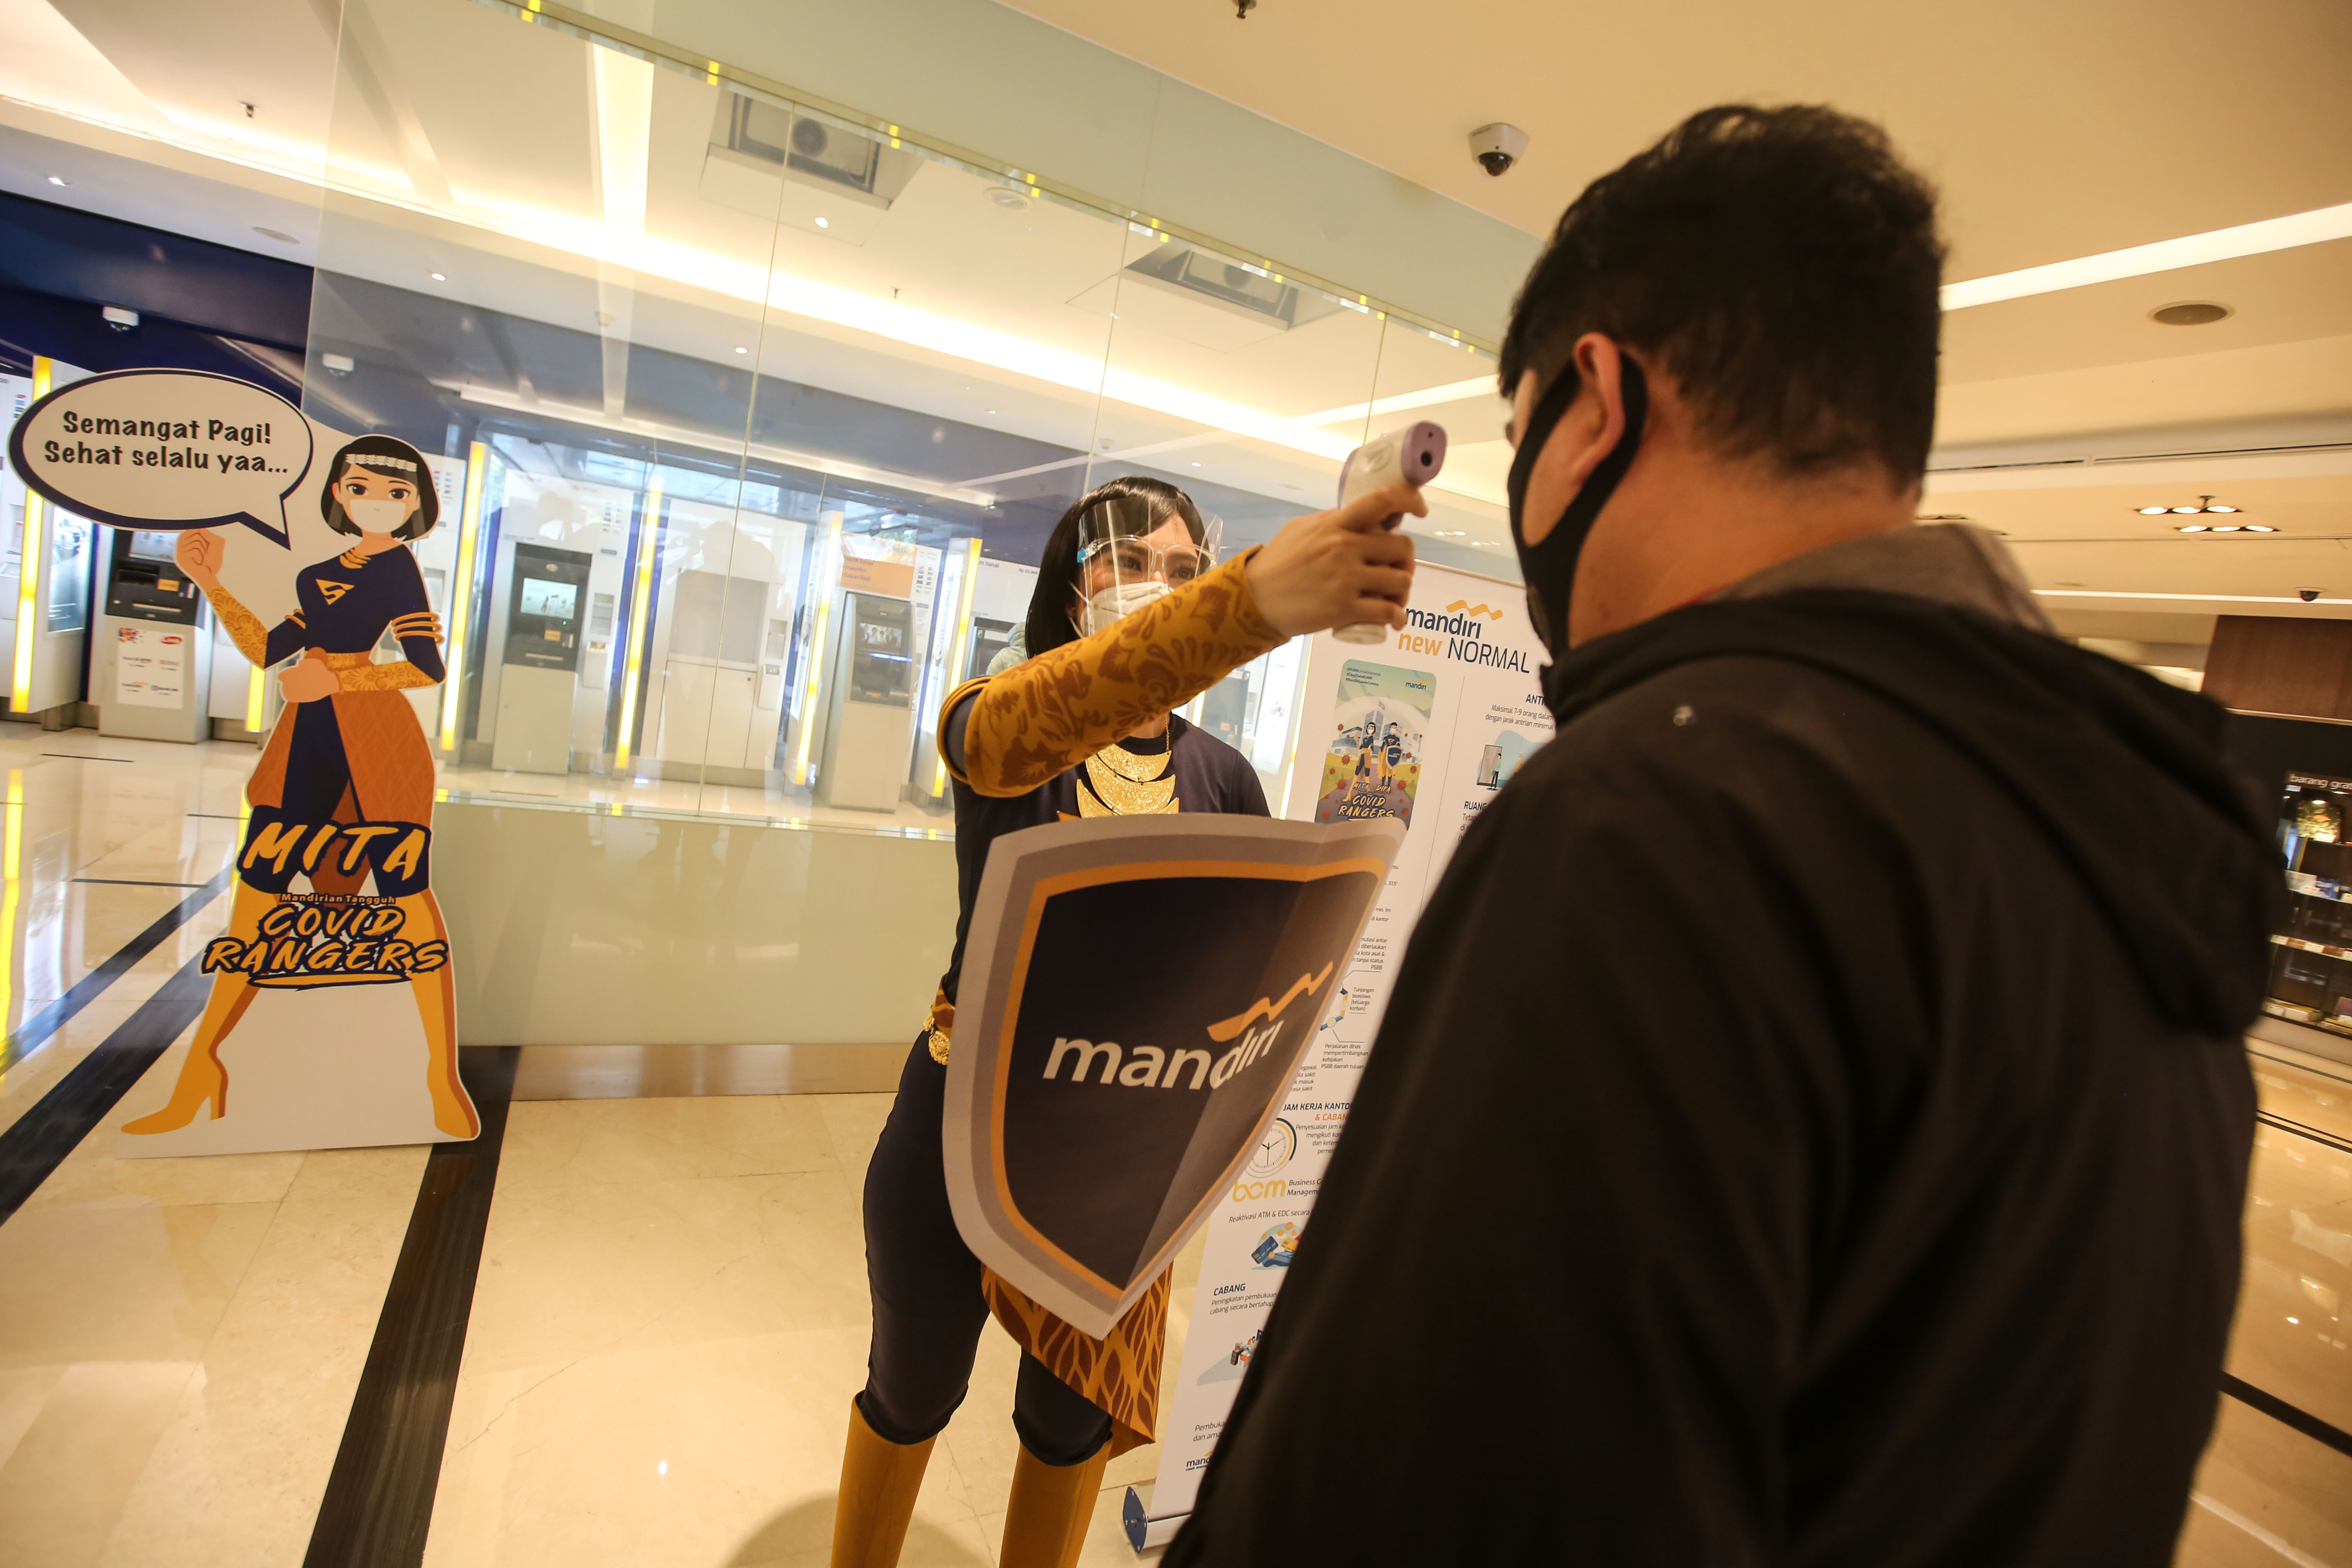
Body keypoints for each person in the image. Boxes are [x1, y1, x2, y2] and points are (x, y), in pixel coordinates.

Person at [1168, 105, 2277, 1566]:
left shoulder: (1663, 820)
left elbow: (1413, 1498)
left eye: (1522, 437)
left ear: (1599, 403)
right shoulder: (2139, 860)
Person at [832, 473, 1420, 1568]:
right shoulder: (999, 727)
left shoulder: (1225, 778)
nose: (1161, 585)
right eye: (1132, 562)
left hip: (1117, 1154)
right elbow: (1018, 730)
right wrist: (1245, 605)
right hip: (961, 1130)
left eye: (1187, 571)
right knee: (912, 1389)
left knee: (1070, 1422)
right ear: (1069, 590)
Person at [126, 435, 473, 1139]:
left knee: (404, 893)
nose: (379, 500)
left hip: (377, 742)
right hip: (305, 739)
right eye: (363, 486)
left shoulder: (400, 570)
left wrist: (340, 678)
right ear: (340, 493)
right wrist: (211, 583)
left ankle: (439, 1076)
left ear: (415, 506)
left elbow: (425, 668)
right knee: (261, 888)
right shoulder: (317, 574)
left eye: (397, 493)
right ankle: (205, 1066)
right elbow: (266, 650)